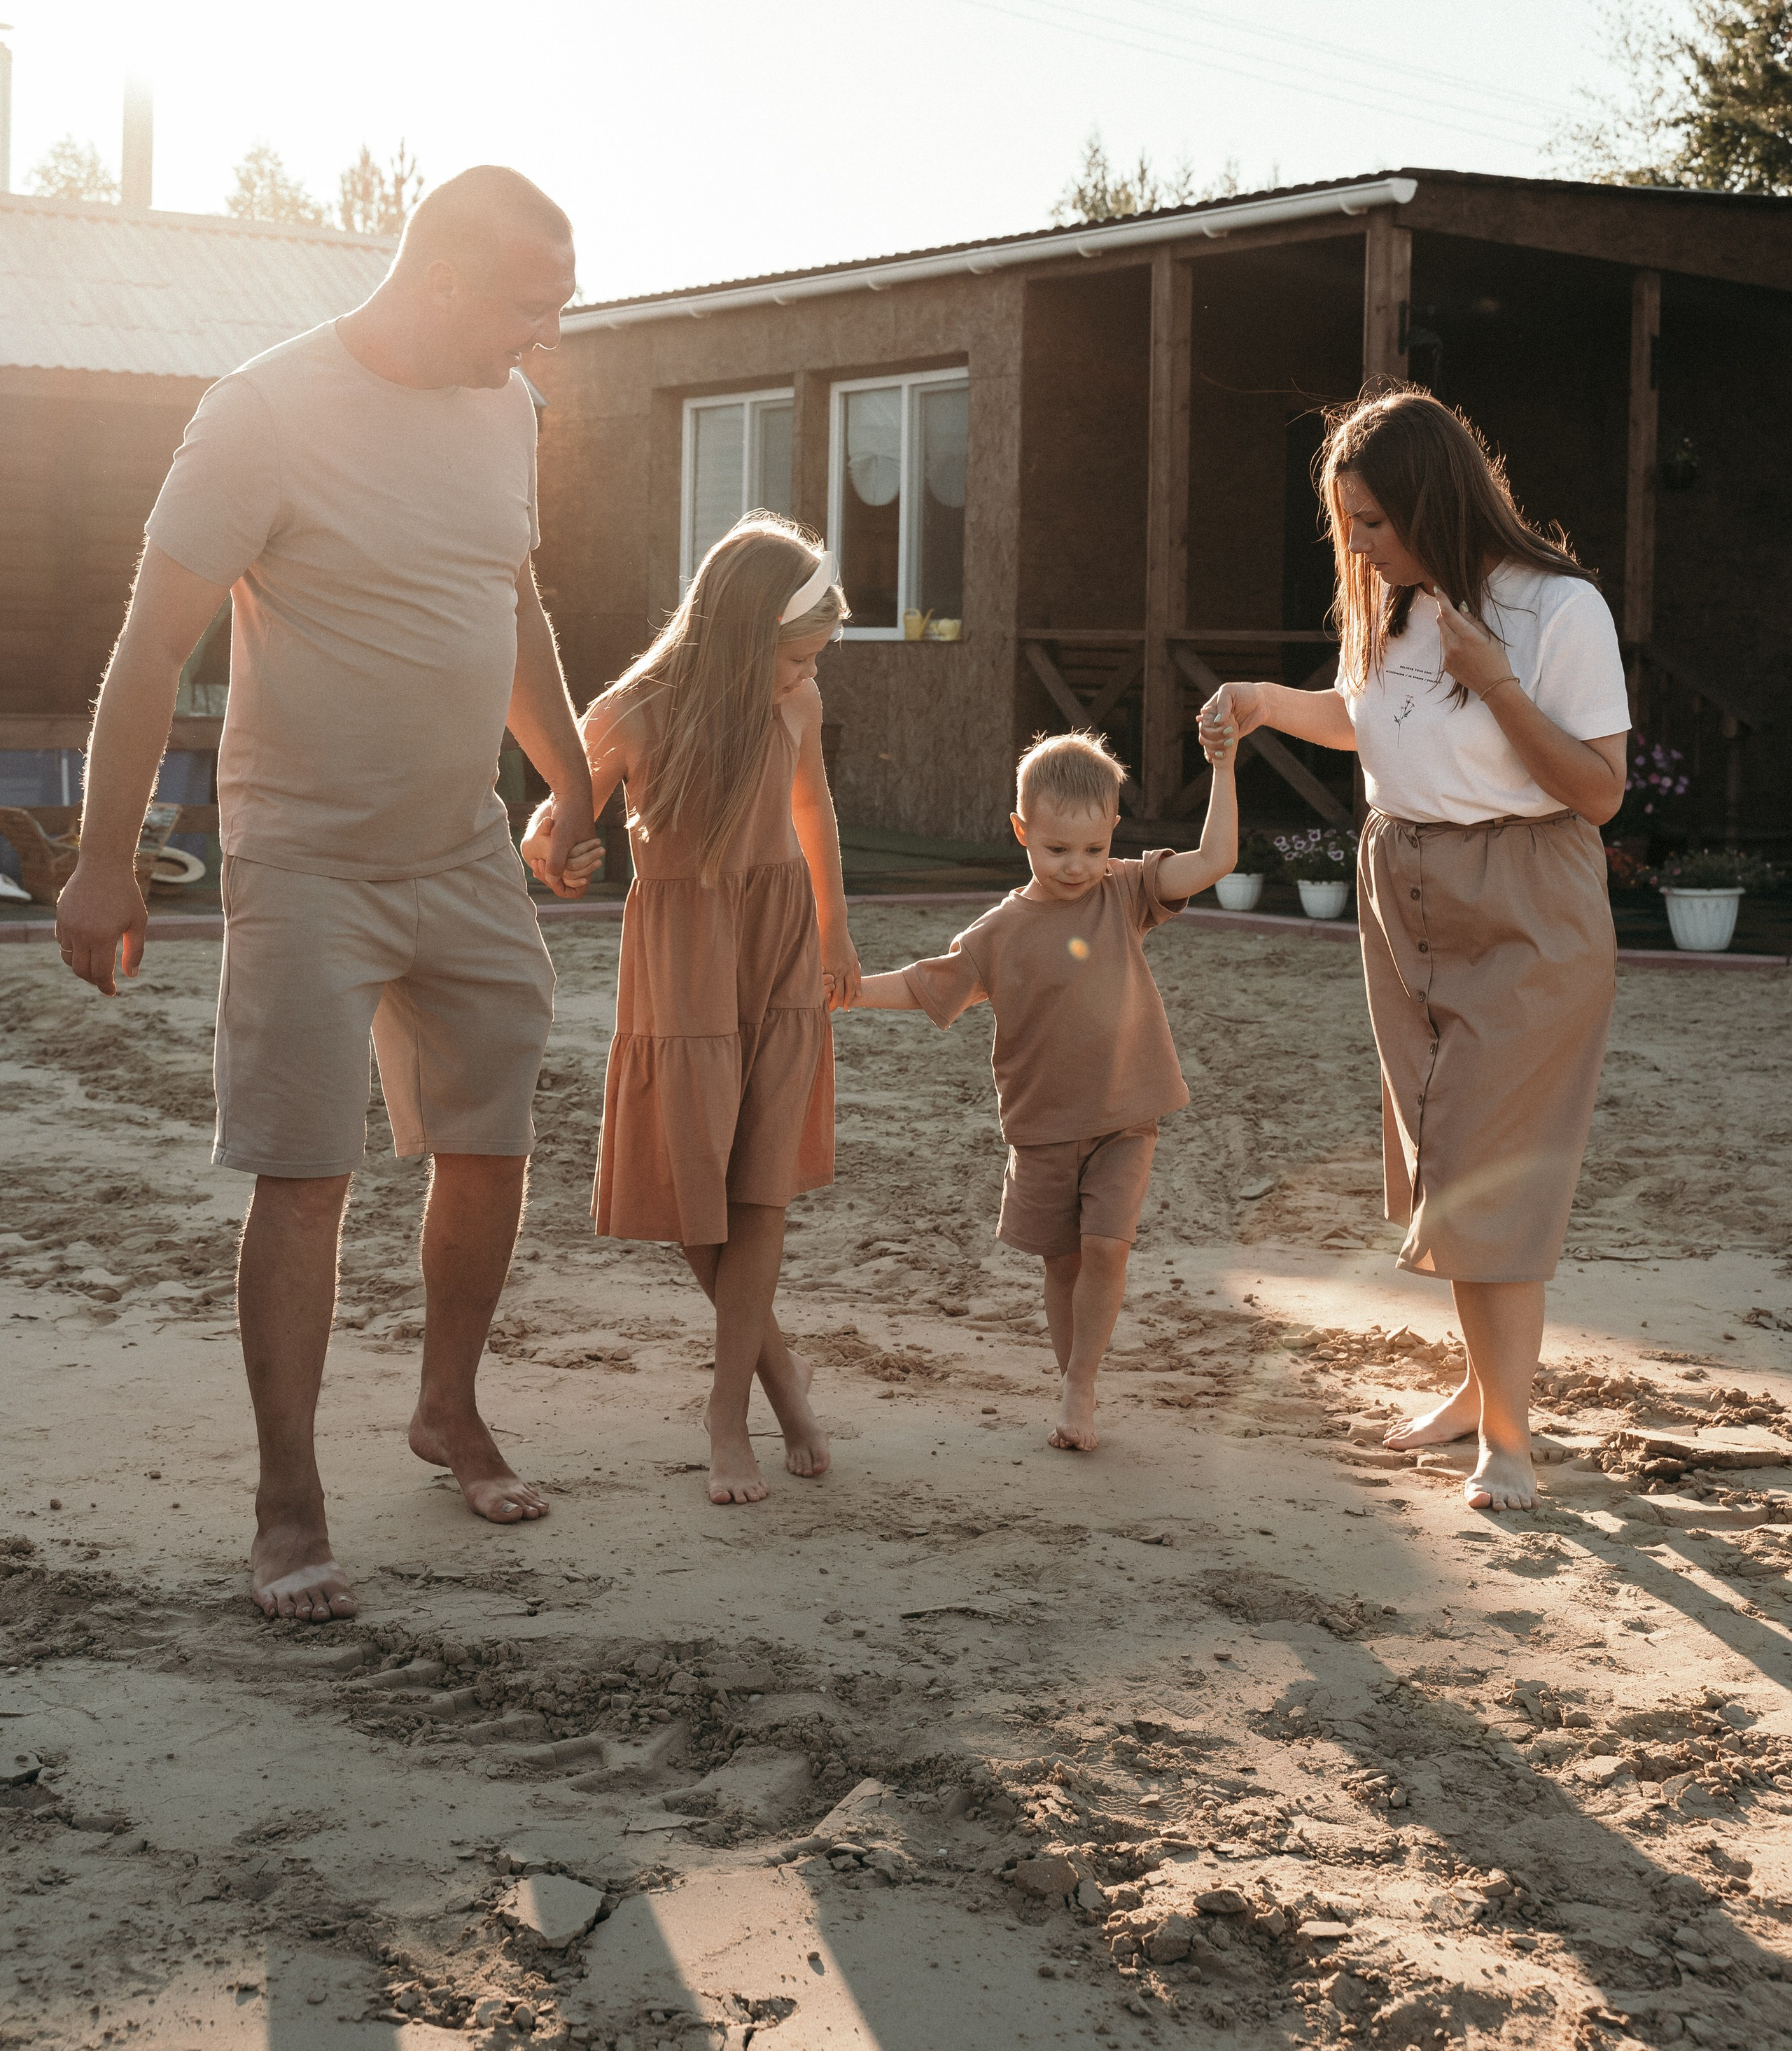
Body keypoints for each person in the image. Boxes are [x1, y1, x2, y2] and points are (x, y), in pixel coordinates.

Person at [56, 166, 595, 1620]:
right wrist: (106, 859)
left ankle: (446, 1408)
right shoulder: (262, 412)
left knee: (489, 1144)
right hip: (304, 860)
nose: (540, 342)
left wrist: (573, 775)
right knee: (307, 1177)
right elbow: (152, 645)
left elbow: (512, 598)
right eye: (527, 311)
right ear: (442, 284)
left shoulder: (506, 410)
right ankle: (288, 1506)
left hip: (463, 848)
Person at [1198, 386, 1629, 1513]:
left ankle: (1512, 1443)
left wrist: (1493, 680)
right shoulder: (1391, 602)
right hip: (1404, 891)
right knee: (1445, 1159)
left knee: (1495, 1170)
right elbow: (1366, 717)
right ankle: (1481, 1390)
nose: (1360, 547)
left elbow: (1598, 789)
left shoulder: (1556, 611)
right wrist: (1260, 702)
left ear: (1437, 502)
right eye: (1349, 525)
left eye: (1375, 525)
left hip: (1527, 897)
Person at [528, 519, 858, 1506]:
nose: (805, 677)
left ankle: (731, 1415)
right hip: (682, 959)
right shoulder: (635, 712)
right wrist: (562, 855)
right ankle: (777, 1368)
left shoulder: (796, 705)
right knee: (691, 1186)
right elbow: (550, 829)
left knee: (759, 1184)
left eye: (813, 662)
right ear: (742, 634)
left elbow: (814, 815)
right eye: (796, 657)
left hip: (779, 944)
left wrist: (837, 930)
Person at [846, 724, 1237, 1452]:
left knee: (1106, 1248)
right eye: (1057, 849)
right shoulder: (998, 932)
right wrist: (841, 994)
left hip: (1126, 1115)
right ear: (1021, 830)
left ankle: (1081, 1385)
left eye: (1093, 849)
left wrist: (1222, 765)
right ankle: (1071, 1382)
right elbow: (924, 987)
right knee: (1062, 1263)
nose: (1077, 866)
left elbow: (1216, 859)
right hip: (1043, 1127)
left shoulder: (1124, 892)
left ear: (1114, 832)